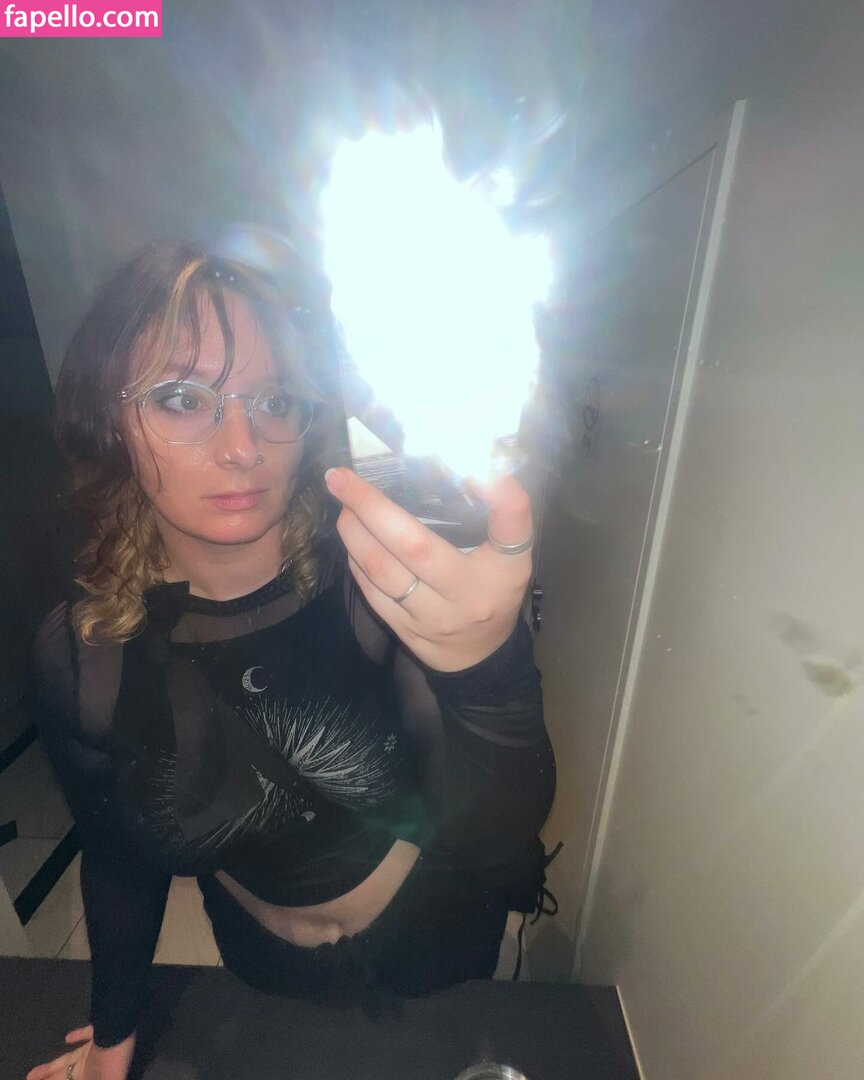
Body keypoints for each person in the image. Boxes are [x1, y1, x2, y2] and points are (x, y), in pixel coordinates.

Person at [26, 241, 556, 1080]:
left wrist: (490, 672)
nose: (243, 446)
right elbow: (118, 852)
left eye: (273, 399)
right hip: (259, 968)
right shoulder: (82, 654)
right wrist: (114, 1032)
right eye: (182, 398)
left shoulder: (379, 585)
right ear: (110, 419)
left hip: (440, 949)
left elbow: (496, 836)